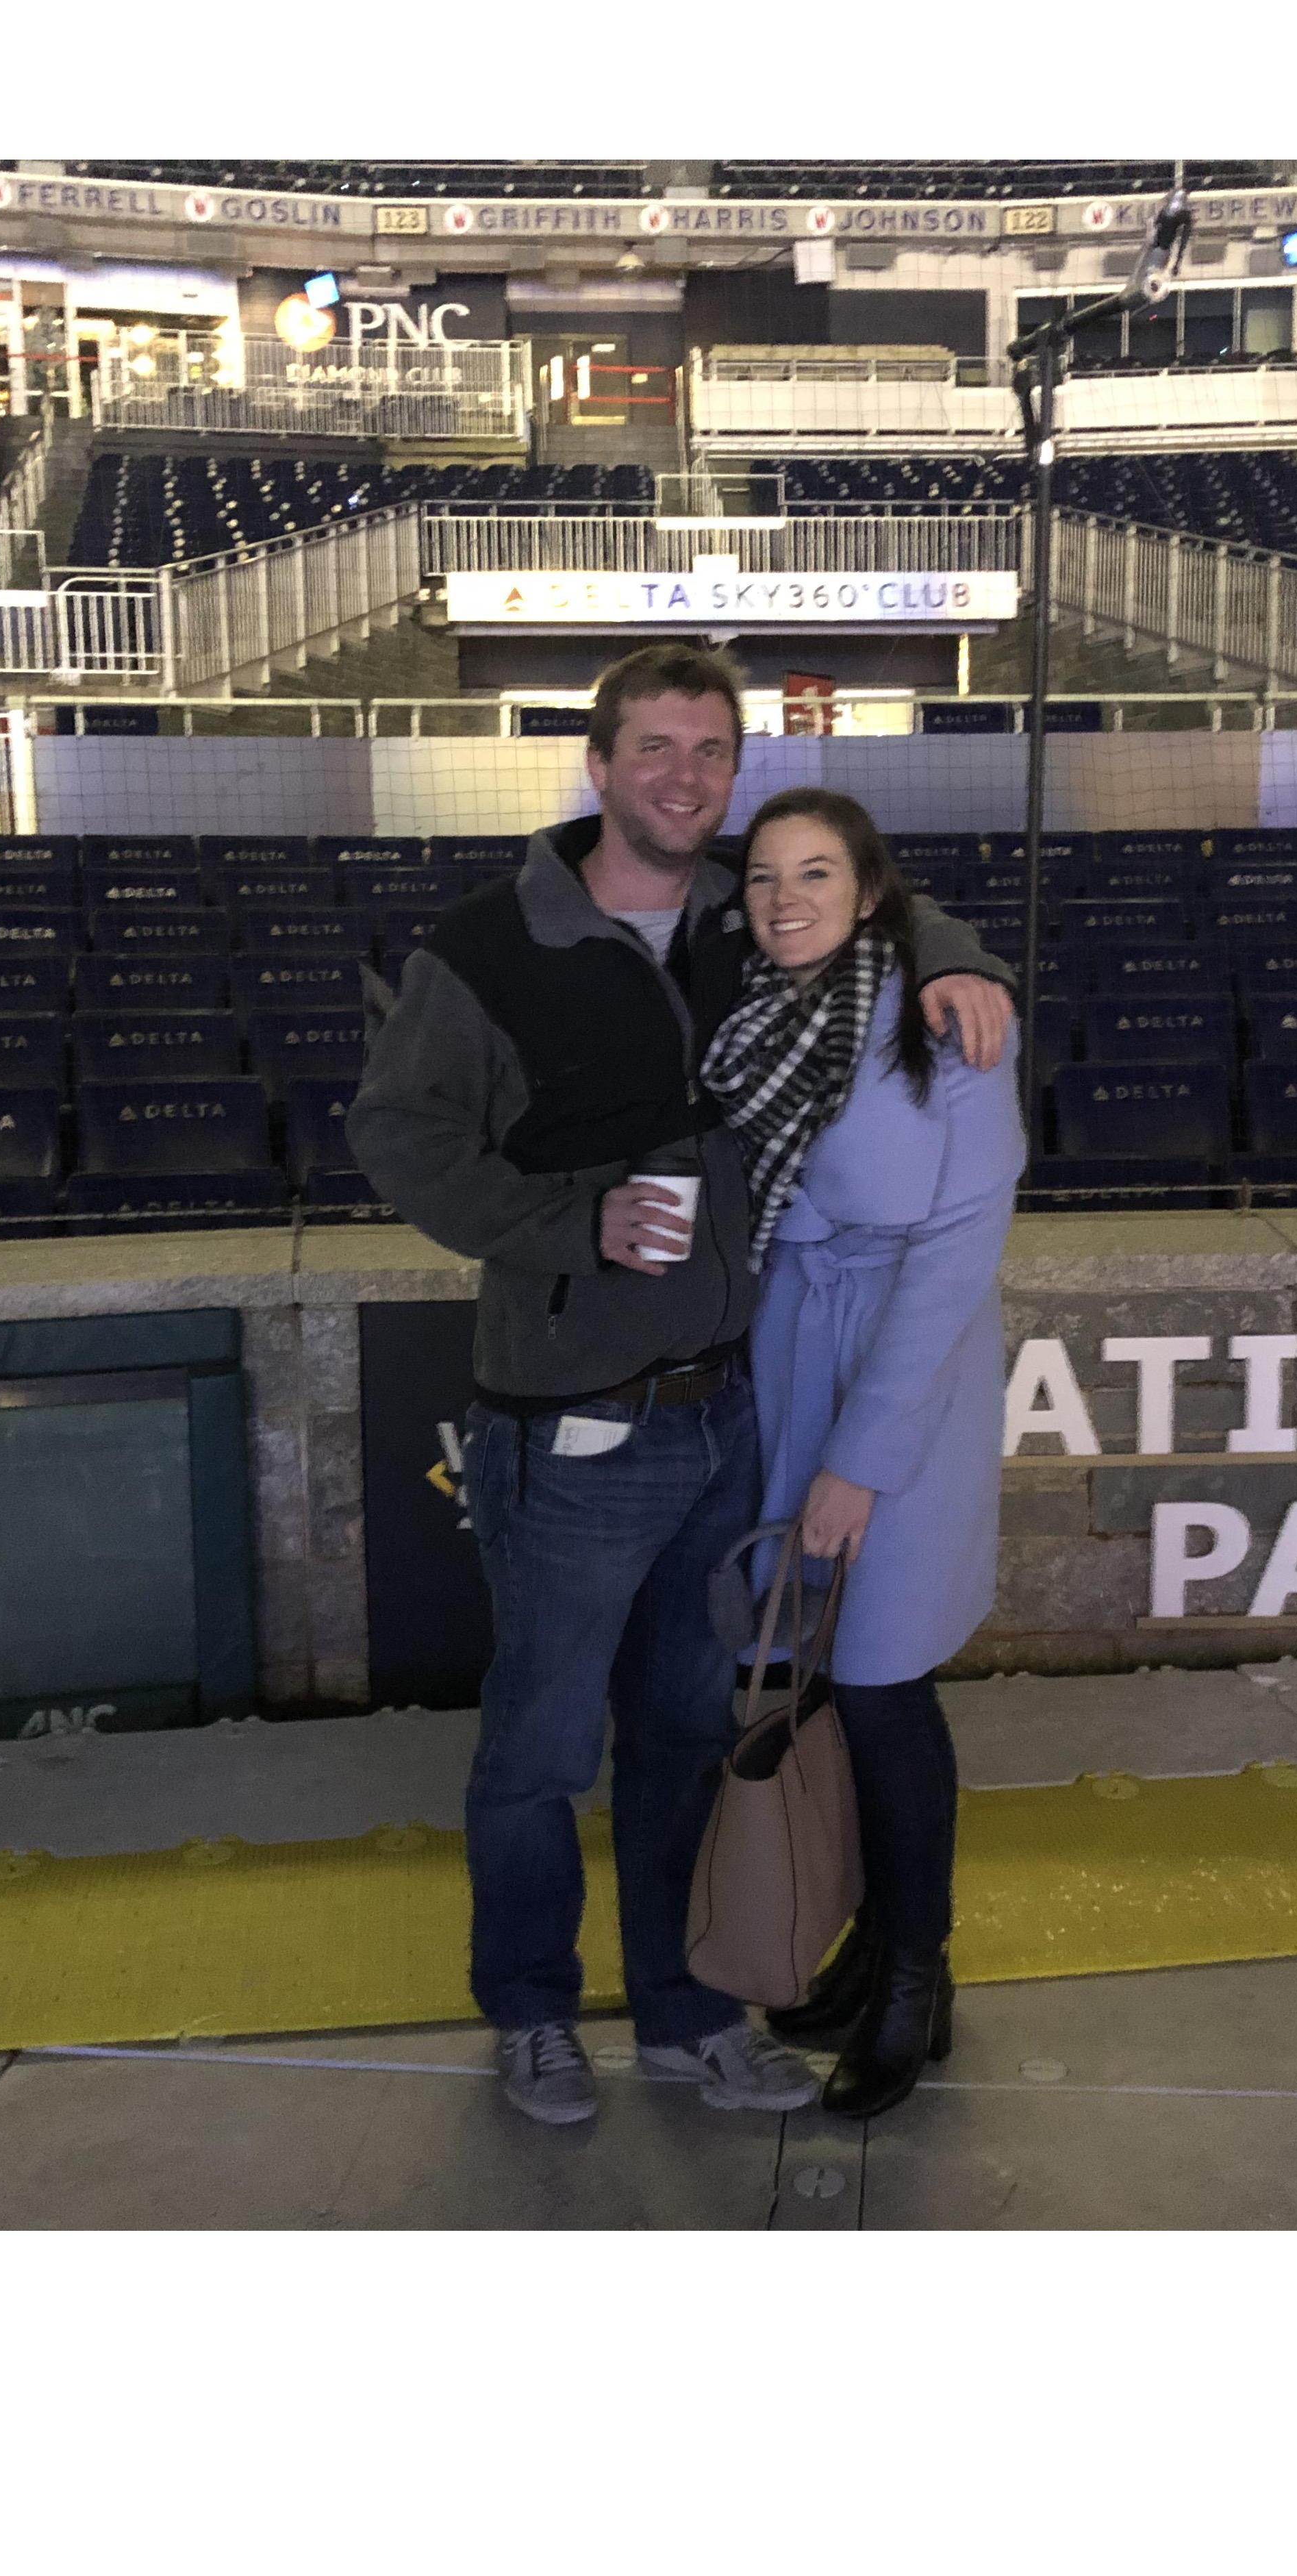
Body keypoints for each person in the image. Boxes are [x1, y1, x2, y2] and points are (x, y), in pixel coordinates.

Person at [344, 642, 1014, 2127]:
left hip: (727, 1416)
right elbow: (400, 1139)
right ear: (597, 765)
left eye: (710, 752)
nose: (683, 777)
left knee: (685, 1741)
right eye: (654, 748)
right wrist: (565, 1221)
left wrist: (962, 954)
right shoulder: (486, 944)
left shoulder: (740, 910)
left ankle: (686, 2012)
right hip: (573, 1424)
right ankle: (528, 2011)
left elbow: (875, 919)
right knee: (536, 1748)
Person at [703, 788, 1025, 2118]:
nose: (788, 899)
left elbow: (955, 1255)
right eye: (768, 876)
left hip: (908, 1373)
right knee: (817, 1680)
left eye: (818, 873)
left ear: (872, 892)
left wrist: (859, 1459)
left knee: (886, 1681)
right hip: (786, 1352)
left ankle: (915, 1980)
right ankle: (857, 1947)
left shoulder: (952, 1022)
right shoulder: (744, 1022)